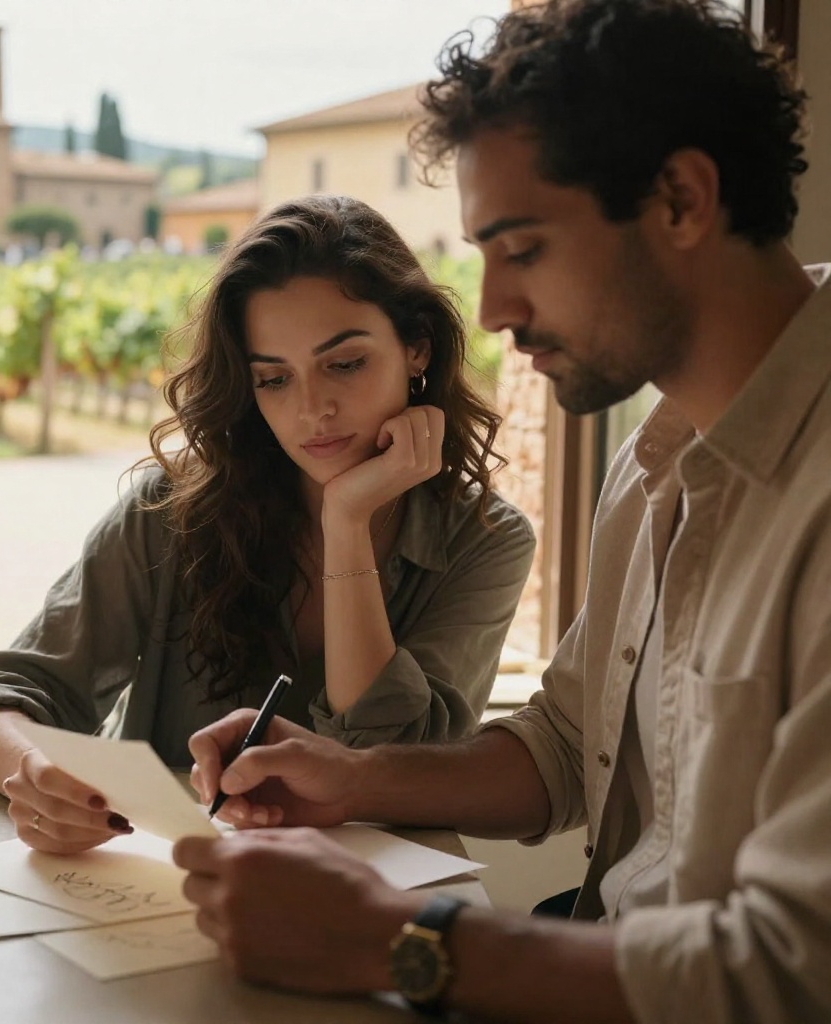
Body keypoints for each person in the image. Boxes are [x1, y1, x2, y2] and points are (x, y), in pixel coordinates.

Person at [173, 2, 831, 1021]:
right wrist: (350, 776)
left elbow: (791, 973)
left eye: (521, 248)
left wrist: (393, 943)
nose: (490, 311)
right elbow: (569, 747)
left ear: (681, 199)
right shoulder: (658, 452)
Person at [0, 194, 535, 855]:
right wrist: (33, 774)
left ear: (416, 350)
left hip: (368, 911)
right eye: (274, 379)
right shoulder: (173, 508)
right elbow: (1, 694)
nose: (313, 409)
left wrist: (347, 521)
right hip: (167, 894)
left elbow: (394, 765)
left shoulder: (488, 540)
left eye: (344, 363)